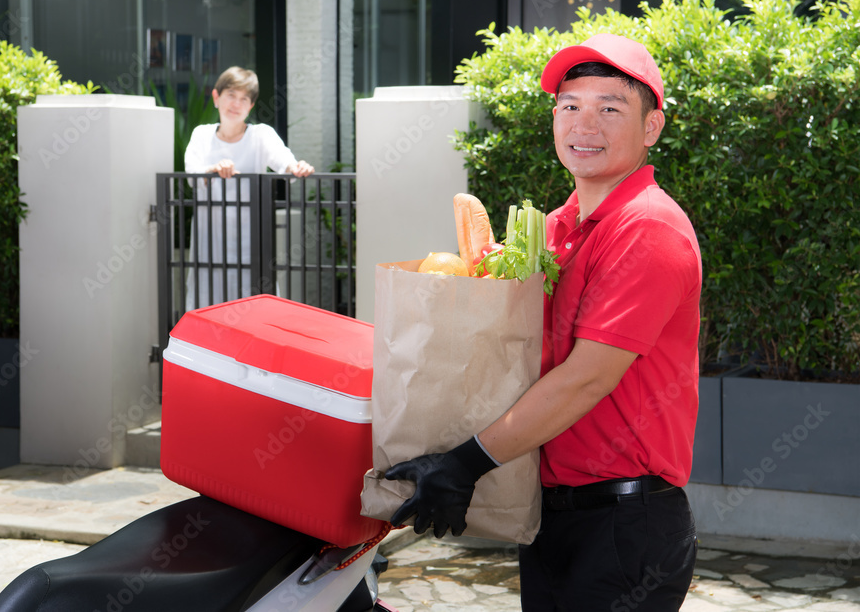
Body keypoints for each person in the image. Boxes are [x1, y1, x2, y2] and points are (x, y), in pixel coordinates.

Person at [385, 34, 702, 611]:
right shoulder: (557, 227)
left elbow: (588, 377)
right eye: (570, 107)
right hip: (552, 518)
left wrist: (464, 463)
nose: (586, 125)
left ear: (653, 126)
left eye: (610, 108)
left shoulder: (647, 228)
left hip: (625, 526)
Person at [184, 66, 314, 310]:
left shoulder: (261, 135)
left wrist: (297, 167)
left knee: (252, 309)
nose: (236, 103)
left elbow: (284, 161)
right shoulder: (201, 135)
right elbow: (193, 174)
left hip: (250, 244)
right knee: (208, 306)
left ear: (251, 106)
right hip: (209, 243)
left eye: (244, 98)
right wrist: (214, 168)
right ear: (216, 97)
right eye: (231, 95)